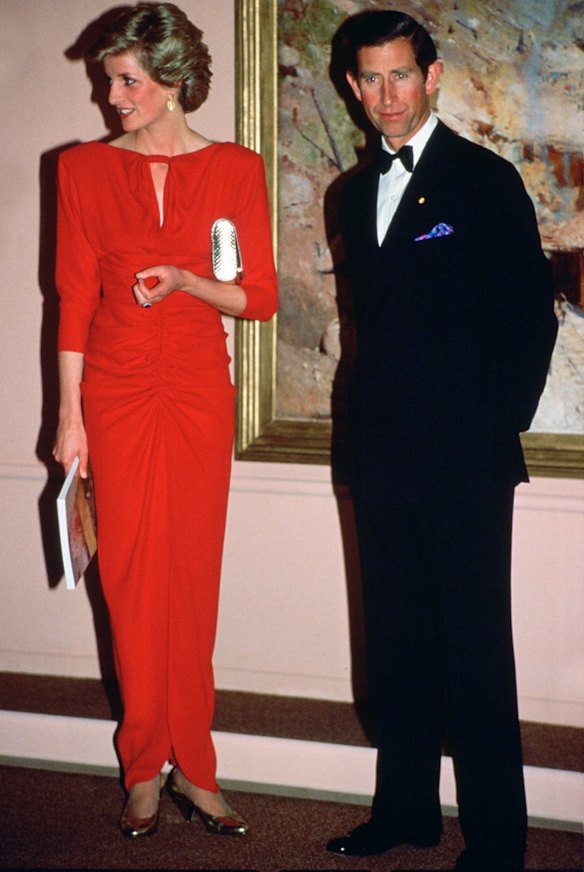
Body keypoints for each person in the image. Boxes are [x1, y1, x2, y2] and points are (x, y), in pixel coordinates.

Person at [326, 10, 557, 872]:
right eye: (370, 79)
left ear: (432, 76)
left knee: (474, 649)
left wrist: (492, 429)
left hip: (464, 459)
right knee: (396, 645)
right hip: (380, 456)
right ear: (354, 86)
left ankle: (498, 841)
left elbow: (531, 321)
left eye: (401, 75)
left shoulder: (485, 181)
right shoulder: (348, 192)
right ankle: (406, 814)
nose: (386, 95)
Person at [52, 2, 277, 839]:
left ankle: (199, 767)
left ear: (173, 82)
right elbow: (73, 298)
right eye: (111, 81)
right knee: (129, 578)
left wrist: (186, 280)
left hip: (194, 390)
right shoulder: (80, 171)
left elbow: (259, 297)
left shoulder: (234, 168)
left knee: (193, 575)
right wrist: (68, 418)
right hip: (112, 392)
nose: (112, 97)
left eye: (126, 81)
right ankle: (143, 766)